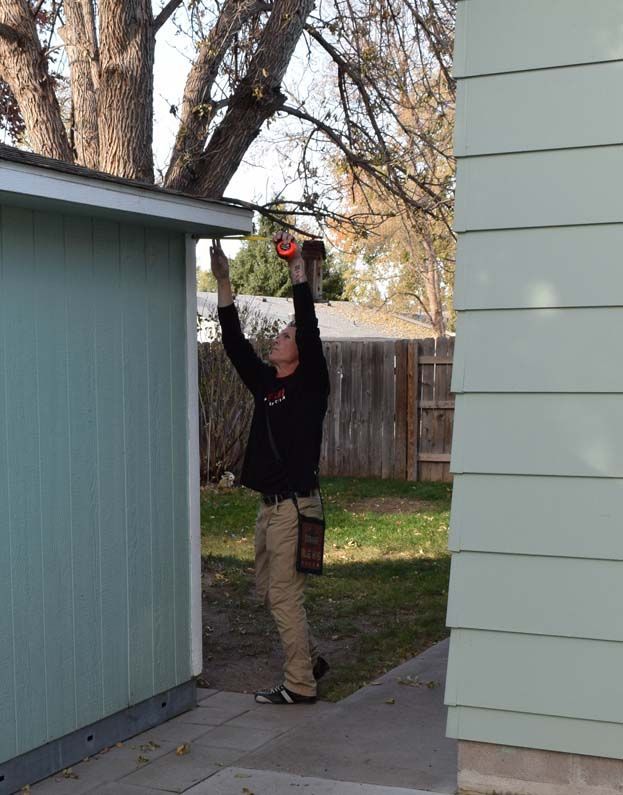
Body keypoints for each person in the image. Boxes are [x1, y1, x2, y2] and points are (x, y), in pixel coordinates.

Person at [210, 231, 330, 705]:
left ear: (300, 351)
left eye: (284, 336)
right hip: (270, 509)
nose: (277, 339)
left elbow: (308, 321)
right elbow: (235, 344)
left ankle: (300, 684)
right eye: (278, 335)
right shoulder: (267, 384)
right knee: (271, 591)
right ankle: (311, 659)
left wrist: (295, 265)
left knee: (284, 595)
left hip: (295, 508)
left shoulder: (310, 385)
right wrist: (224, 283)